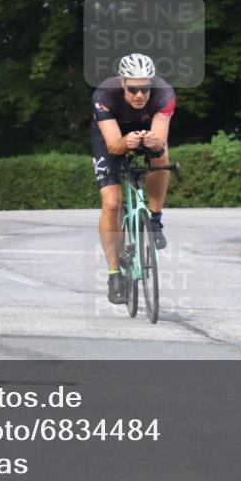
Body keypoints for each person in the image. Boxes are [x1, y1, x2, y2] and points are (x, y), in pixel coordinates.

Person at [91, 53, 176, 304]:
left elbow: (160, 140)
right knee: (111, 203)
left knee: (162, 156)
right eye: (133, 89)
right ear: (122, 84)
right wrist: (125, 142)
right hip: (112, 137)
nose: (140, 95)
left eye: (145, 89)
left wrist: (154, 143)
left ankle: (155, 218)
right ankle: (114, 273)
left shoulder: (164, 94)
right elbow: (114, 147)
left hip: (145, 131)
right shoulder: (104, 96)